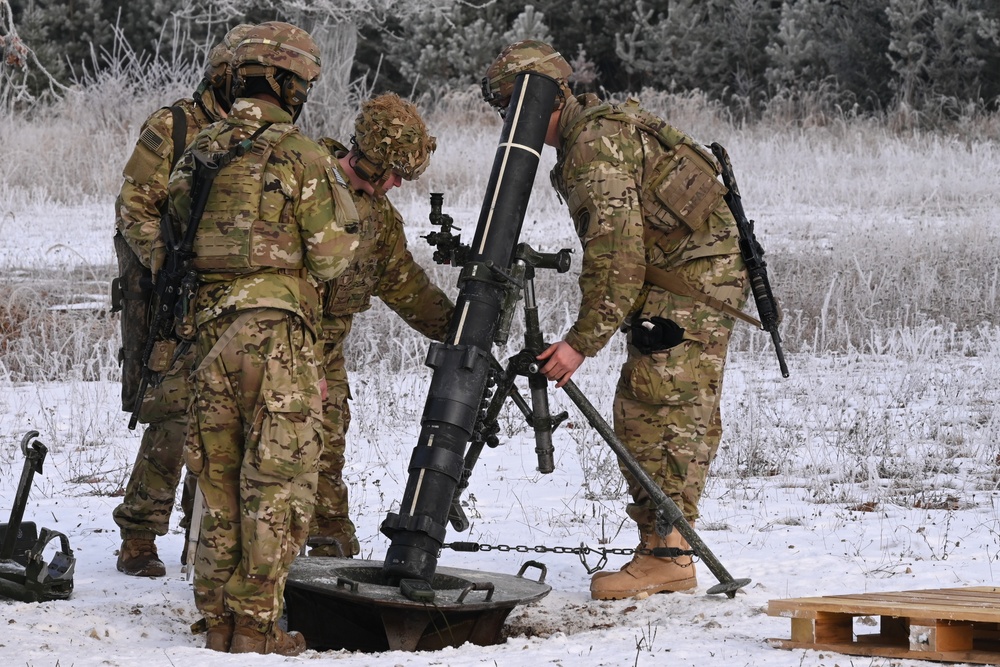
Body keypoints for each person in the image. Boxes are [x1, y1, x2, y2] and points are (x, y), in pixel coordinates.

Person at [482, 41, 749, 600]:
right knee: (659, 409)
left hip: (691, 282)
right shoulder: (596, 131)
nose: (508, 123)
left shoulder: (591, 146)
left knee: (658, 411)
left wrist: (581, 342)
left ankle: (670, 555)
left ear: (535, 103)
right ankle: (665, 548)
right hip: (687, 277)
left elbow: (617, 257)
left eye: (510, 108)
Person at [168, 21, 358, 655]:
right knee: (277, 482)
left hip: (209, 336)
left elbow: (173, 241)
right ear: (289, 85)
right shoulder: (304, 157)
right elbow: (333, 259)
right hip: (278, 336)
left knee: (218, 481)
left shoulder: (197, 154)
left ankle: (216, 622)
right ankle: (256, 626)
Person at [111, 23, 254, 578]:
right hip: (171, 286)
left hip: (230, 290)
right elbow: (134, 209)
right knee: (170, 411)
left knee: (226, 411)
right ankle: (140, 535)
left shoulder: (257, 131)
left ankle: (209, 536)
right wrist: (168, 264)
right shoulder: (171, 128)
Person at [308, 93, 454, 558]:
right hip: (276, 346)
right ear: (369, 157)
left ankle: (330, 551)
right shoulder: (305, 187)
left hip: (326, 352)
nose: (396, 184)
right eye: (393, 173)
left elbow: (404, 285)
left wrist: (461, 326)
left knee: (327, 450)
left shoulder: (380, 219)